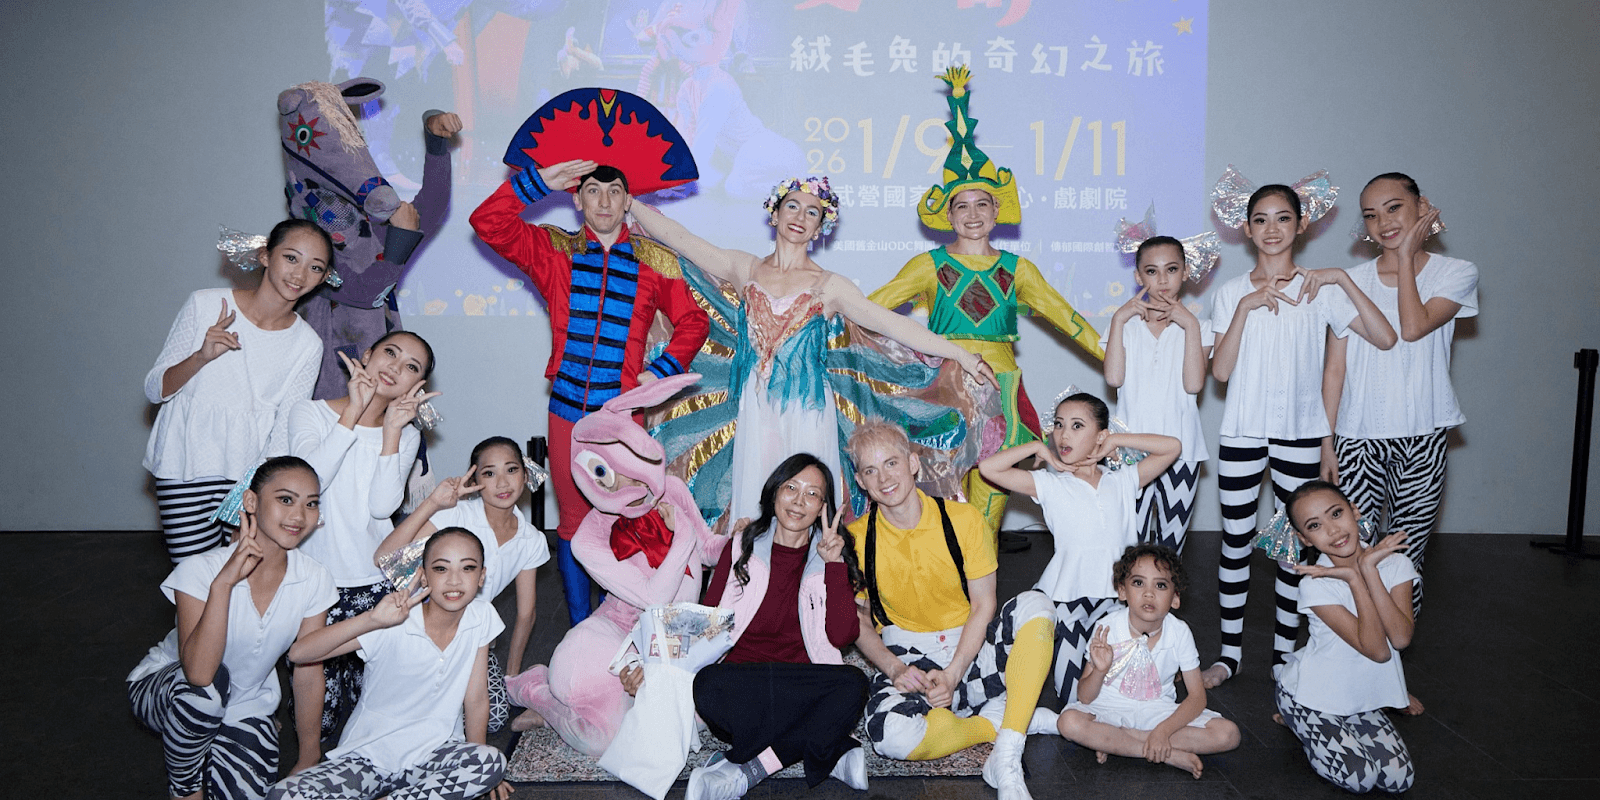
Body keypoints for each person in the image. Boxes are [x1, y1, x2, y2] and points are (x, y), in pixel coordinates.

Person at [629, 176, 995, 526]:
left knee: (806, 499)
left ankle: (810, 582)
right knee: (756, 499)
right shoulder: (745, 268)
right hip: (754, 407)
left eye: (811, 212)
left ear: (820, 227)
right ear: (775, 214)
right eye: (792, 206)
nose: (799, 218)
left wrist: (961, 354)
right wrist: (627, 202)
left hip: (807, 410)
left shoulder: (830, 286)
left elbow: (892, 324)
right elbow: (680, 238)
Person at [470, 157, 709, 627]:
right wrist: (538, 183)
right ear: (577, 200)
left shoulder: (654, 259)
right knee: (575, 523)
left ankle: (622, 621)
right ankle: (584, 627)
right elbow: (487, 223)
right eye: (593, 191)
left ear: (627, 201)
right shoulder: (554, 250)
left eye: (615, 191)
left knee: (629, 519)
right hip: (567, 416)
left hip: (622, 419)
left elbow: (693, 320)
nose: (604, 200)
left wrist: (660, 369)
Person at [871, 66, 1103, 539]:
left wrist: (1122, 358)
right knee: (936, 493)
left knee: (990, 501)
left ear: (997, 210)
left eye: (982, 204)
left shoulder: (1018, 270)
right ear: (948, 214)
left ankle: (981, 596)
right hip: (941, 389)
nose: (972, 214)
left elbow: (1070, 321)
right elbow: (871, 309)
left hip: (1001, 392)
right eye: (962, 205)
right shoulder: (927, 265)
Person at [1204, 175, 1397, 688]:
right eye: (1261, 220)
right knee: (1236, 540)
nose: (1272, 229)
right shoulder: (1229, 295)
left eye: (1283, 218)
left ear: (1302, 224)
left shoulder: (1319, 290)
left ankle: (1285, 653)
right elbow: (1220, 373)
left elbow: (1384, 336)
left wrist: (1341, 279)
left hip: (1300, 436)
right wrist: (1245, 309)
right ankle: (1228, 654)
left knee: (1296, 546)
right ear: (1246, 229)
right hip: (1242, 434)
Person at [627, 454, 869, 799]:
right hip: (744, 683)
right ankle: (828, 746)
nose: (799, 501)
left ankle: (748, 767)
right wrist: (648, 665)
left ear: (823, 509)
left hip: (801, 680)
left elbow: (843, 636)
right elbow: (706, 619)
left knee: (854, 682)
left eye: (813, 494)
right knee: (708, 684)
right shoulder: (740, 546)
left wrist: (833, 567)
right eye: (791, 488)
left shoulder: (831, 556)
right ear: (774, 494)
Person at [845, 420, 1054, 800]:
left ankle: (1005, 752)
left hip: (969, 651)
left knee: (1037, 605)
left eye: (891, 463)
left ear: (913, 463)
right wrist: (894, 669)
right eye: (870, 470)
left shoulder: (963, 520)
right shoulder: (856, 538)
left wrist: (955, 671)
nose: (883, 478)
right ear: (860, 481)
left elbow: (984, 604)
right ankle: (1004, 719)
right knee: (890, 739)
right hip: (909, 657)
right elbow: (858, 618)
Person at [128, 456, 335, 799]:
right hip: (168, 688)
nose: (299, 515)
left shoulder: (315, 578)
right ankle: (185, 786)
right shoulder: (201, 570)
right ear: (251, 502)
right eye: (285, 499)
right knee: (208, 691)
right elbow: (198, 673)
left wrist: (309, 755)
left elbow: (308, 670)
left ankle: (211, 744)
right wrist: (222, 585)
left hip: (247, 703)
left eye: (311, 503)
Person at [1323, 172, 1476, 619]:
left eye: (1394, 208)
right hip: (1356, 438)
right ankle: (1354, 660)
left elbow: (1413, 327)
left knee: (1404, 559)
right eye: (1371, 215)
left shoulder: (1457, 272)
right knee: (1350, 555)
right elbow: (1335, 369)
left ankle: (1393, 668)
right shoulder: (1348, 281)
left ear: (1421, 206)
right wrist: (1327, 440)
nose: (1383, 222)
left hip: (1423, 437)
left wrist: (1406, 257)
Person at [270, 529, 512, 800]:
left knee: (491, 762)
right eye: (441, 568)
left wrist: (481, 779)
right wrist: (372, 619)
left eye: (467, 568)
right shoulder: (395, 619)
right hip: (367, 760)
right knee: (285, 795)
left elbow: (477, 698)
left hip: (433, 757)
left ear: (481, 577)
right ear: (423, 575)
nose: (454, 580)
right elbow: (300, 653)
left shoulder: (481, 616)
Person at [144, 220, 332, 561]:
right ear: (265, 256)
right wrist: (200, 357)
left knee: (241, 586)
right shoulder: (205, 304)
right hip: (184, 463)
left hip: (248, 476)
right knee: (192, 582)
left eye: (315, 267)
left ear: (323, 277)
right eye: (291, 258)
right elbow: (156, 389)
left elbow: (283, 429)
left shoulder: (308, 344)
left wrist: (255, 490)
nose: (300, 274)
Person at [977, 391, 1180, 702]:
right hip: (1068, 601)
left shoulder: (1124, 481)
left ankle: (1110, 725)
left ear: (1099, 435)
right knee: (1071, 697)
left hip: (1120, 602)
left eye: (1076, 426)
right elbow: (989, 469)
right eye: (1059, 425)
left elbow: (1172, 448)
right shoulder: (1051, 484)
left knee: (1122, 688)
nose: (1063, 435)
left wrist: (1115, 441)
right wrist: (1035, 447)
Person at [286, 330, 437, 739]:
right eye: (390, 353)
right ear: (367, 355)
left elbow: (381, 508)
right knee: (320, 719)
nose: (394, 367)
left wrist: (390, 432)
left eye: (410, 367)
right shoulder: (309, 413)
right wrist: (351, 413)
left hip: (379, 576)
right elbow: (307, 483)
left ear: (416, 386)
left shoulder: (406, 434)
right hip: (319, 581)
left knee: (389, 711)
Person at [373, 436, 552, 733]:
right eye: (489, 473)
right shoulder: (455, 514)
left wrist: (511, 678)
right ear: (475, 478)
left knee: (493, 717)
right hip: (420, 627)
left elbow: (526, 613)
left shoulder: (530, 539)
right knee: (417, 713)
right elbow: (385, 559)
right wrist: (432, 504)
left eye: (511, 470)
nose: (503, 483)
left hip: (470, 634)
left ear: (526, 473)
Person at [1275, 481, 1416, 794]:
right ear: (1303, 538)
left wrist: (1368, 570)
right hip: (1311, 696)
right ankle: (1297, 718)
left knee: (1398, 779)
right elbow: (1378, 651)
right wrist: (1354, 579)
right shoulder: (1315, 585)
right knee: (1359, 778)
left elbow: (1401, 638)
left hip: (1360, 696)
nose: (1333, 530)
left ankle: (1340, 724)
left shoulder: (1396, 565)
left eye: (1336, 514)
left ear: (1355, 512)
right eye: (1315, 525)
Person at [1054, 544, 1241, 779]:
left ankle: (1119, 743)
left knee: (1228, 734)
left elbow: (1197, 698)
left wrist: (1163, 731)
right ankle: (1166, 754)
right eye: (1138, 583)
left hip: (1157, 712)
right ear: (1122, 591)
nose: (1149, 593)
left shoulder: (1179, 632)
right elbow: (1085, 697)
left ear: (1175, 598)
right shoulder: (1107, 627)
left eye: (1160, 585)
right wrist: (1100, 671)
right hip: (1109, 710)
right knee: (1069, 722)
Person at [1103, 235, 1213, 552]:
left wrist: (1190, 326)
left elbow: (1194, 385)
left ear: (1186, 272)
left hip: (1183, 450)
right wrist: (1118, 319)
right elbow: (1113, 378)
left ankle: (1163, 604)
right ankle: (1125, 604)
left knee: (1171, 546)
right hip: (1128, 452)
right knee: (1128, 545)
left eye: (1171, 269)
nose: (1162, 280)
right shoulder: (1124, 325)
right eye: (1151, 271)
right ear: (1138, 277)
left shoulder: (1200, 326)